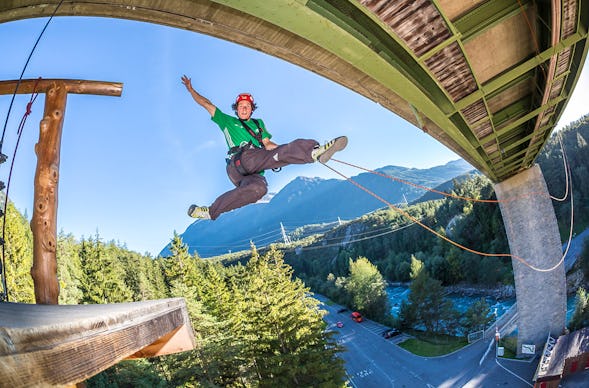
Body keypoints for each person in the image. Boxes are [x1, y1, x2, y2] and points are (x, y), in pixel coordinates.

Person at [181, 75, 348, 220]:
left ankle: (210, 211)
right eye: (241, 106)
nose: (244, 108)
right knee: (258, 155)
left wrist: (283, 153)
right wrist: (191, 90)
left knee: (260, 189)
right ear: (236, 109)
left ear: (252, 110)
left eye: (247, 106)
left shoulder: (258, 124)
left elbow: (268, 145)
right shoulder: (227, 121)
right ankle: (312, 152)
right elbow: (206, 104)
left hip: (254, 170)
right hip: (239, 162)